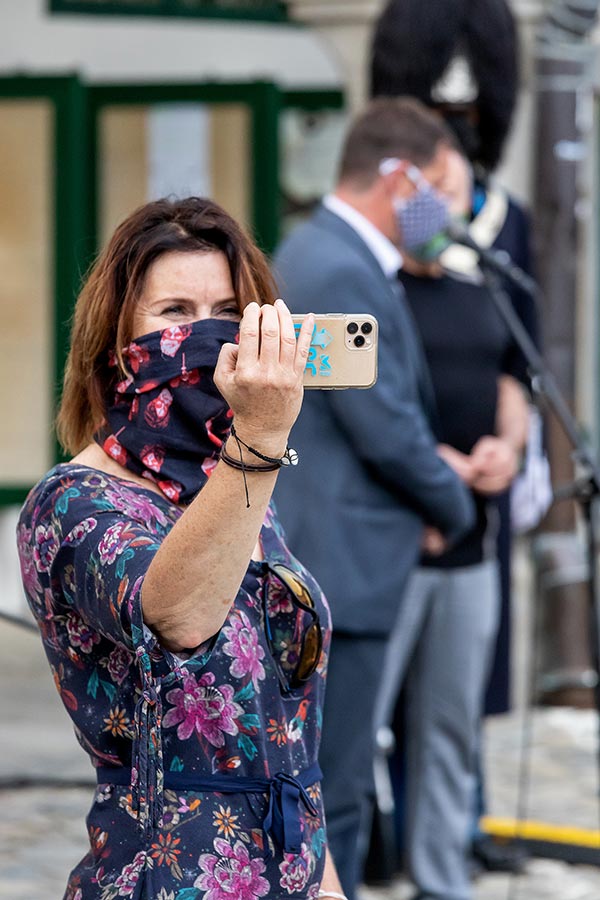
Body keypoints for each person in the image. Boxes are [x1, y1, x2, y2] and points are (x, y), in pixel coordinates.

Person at [16, 196, 347, 900]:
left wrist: (330, 884)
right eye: (174, 313)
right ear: (114, 342)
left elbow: (289, 740)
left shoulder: (237, 488)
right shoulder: (71, 503)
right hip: (166, 876)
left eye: (229, 312)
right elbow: (181, 617)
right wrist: (258, 438)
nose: (206, 336)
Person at [272, 98, 475, 900]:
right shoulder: (336, 267)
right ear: (401, 178)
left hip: (348, 567)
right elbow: (383, 425)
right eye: (444, 188)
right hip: (342, 572)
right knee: (339, 792)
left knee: (341, 784)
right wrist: (456, 508)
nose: (449, 212)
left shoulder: (329, 255)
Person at [372, 147, 530, 900]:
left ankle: (441, 880)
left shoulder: (486, 291)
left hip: (471, 548)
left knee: (450, 728)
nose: (445, 204)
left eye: (457, 190)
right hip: (399, 543)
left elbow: (512, 380)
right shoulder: (377, 293)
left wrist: (509, 446)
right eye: (432, 190)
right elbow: (370, 411)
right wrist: (436, 472)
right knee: (364, 724)